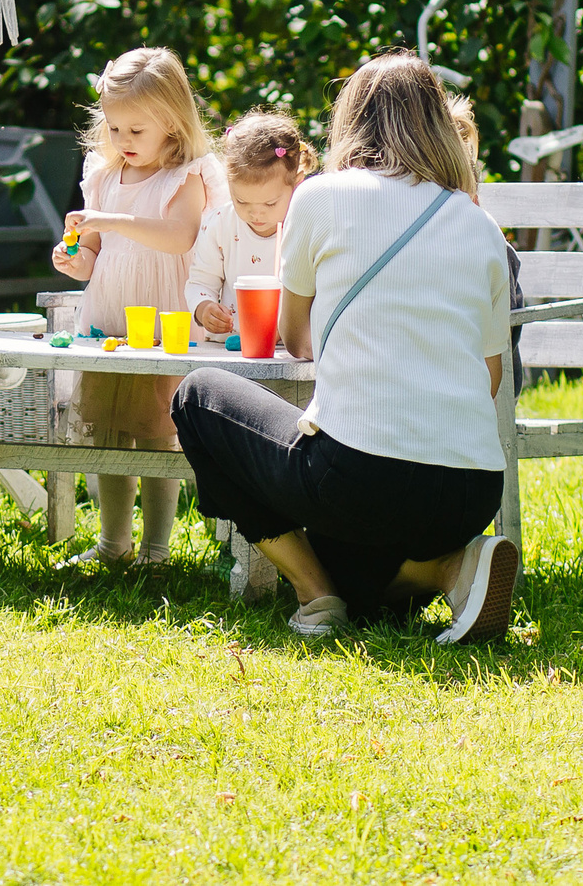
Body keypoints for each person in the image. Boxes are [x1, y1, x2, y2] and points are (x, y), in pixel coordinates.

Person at [172, 51, 517, 644]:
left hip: (358, 472)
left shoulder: (320, 197)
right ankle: (455, 566)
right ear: (437, 125)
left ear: (349, 121)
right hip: (470, 488)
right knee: (368, 594)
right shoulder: (479, 224)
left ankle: (315, 594)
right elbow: (489, 375)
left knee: (199, 396)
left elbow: (297, 338)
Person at [46, 47, 221, 566]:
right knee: (109, 430)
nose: (123, 142)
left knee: (154, 435)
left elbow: (180, 237)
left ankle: (156, 548)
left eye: (136, 131)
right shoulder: (102, 174)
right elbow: (93, 254)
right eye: (115, 128)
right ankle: (113, 543)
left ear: (171, 123)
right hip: (109, 320)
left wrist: (108, 221)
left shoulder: (185, 175)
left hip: (164, 323)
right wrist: (75, 259)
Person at [185, 112, 314, 337]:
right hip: (230, 346)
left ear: (296, 182)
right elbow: (200, 281)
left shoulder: (305, 227)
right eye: (241, 201)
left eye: (270, 203)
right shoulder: (220, 224)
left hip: (287, 349)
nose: (256, 213)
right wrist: (204, 309)